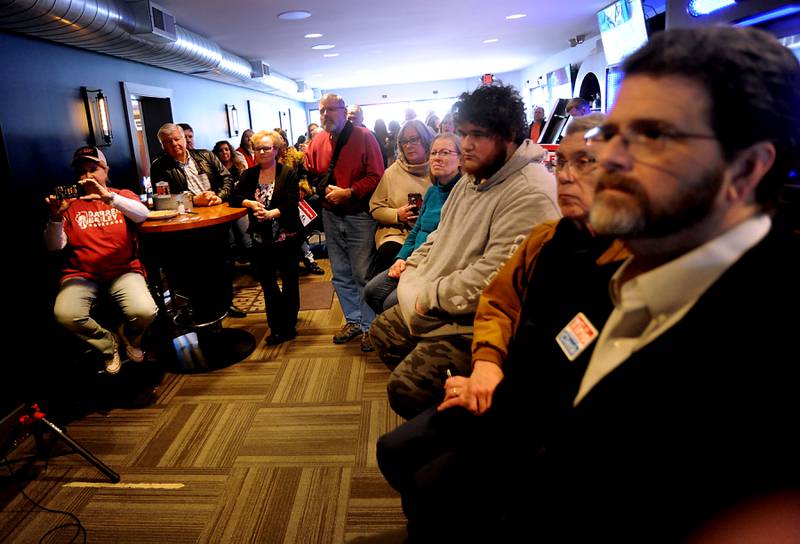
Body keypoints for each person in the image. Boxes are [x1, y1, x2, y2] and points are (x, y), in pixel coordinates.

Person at [381, 26, 800, 542]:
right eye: (617, 134)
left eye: (655, 135)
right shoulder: (630, 267)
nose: (616, 161)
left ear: (748, 168)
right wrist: (491, 369)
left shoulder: (767, 329)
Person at [370, 83, 560, 419]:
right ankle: (446, 420)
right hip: (442, 299)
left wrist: (430, 295)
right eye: (464, 133)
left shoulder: (530, 192)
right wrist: (412, 266)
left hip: (483, 320)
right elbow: (438, 235)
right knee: (383, 332)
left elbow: (494, 278)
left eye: (478, 135)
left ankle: (466, 438)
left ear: (510, 135)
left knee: (405, 388)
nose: (466, 145)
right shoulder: (475, 178)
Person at [46, 146, 158, 374]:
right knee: (66, 314)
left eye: (93, 168)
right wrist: (56, 218)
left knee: (146, 311)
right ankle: (109, 345)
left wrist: (109, 198)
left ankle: (130, 336)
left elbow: (142, 214)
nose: (87, 175)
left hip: (123, 270)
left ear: (106, 170)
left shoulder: (121, 195)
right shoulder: (70, 205)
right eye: (82, 171)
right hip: (81, 273)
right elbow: (54, 246)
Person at [305, 93, 385, 351]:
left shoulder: (364, 137)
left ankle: (369, 327)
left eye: (330, 109)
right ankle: (353, 320)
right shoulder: (317, 140)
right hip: (330, 214)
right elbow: (312, 171)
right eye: (321, 111)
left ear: (343, 110)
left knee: (362, 273)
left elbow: (376, 176)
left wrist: (350, 192)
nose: (325, 115)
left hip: (359, 214)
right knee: (340, 273)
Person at [364, 132, 462, 314]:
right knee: (371, 292)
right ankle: (399, 328)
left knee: (390, 304)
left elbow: (449, 246)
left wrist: (414, 265)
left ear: (461, 159)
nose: (437, 158)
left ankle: (403, 330)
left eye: (445, 153)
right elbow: (416, 231)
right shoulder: (433, 191)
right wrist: (401, 259)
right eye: (434, 153)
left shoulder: (462, 193)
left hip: (434, 267)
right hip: (414, 258)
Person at [230, 130, 302, 345]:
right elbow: (234, 197)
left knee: (289, 283)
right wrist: (250, 203)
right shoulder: (249, 175)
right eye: (257, 148)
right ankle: (276, 326)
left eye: (266, 148)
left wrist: (272, 213)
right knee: (269, 286)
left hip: (286, 238)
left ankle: (288, 326)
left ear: (276, 150)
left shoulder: (287, 173)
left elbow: (292, 203)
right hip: (261, 241)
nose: (261, 152)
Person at [368, 119, 434, 277]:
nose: (409, 145)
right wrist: (397, 214)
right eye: (404, 141)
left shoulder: (437, 168)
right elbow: (375, 208)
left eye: (414, 140)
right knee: (387, 259)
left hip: (431, 234)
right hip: (397, 234)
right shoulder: (392, 172)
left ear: (425, 141)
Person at [151, 123, 233, 207]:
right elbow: (163, 200)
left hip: (218, 207)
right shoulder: (159, 167)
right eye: (168, 141)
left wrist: (219, 197)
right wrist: (193, 200)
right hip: (189, 214)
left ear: (184, 139)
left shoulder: (207, 155)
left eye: (177, 139)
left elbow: (227, 178)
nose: (174, 144)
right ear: (162, 146)